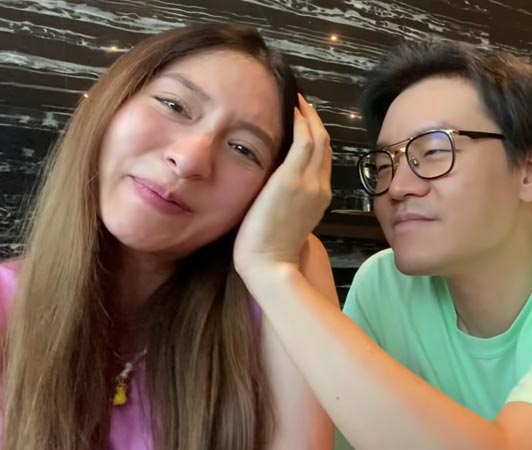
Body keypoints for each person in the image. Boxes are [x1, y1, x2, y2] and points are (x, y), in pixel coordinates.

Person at [233, 41, 532, 450]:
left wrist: (274, 272)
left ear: (530, 171)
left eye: (434, 151)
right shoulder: (384, 285)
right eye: (385, 164)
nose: (398, 188)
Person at [0, 23, 335, 450]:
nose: (190, 159)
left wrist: (276, 268)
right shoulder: (8, 303)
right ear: (112, 102)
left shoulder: (279, 290)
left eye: (243, 149)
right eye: (175, 105)